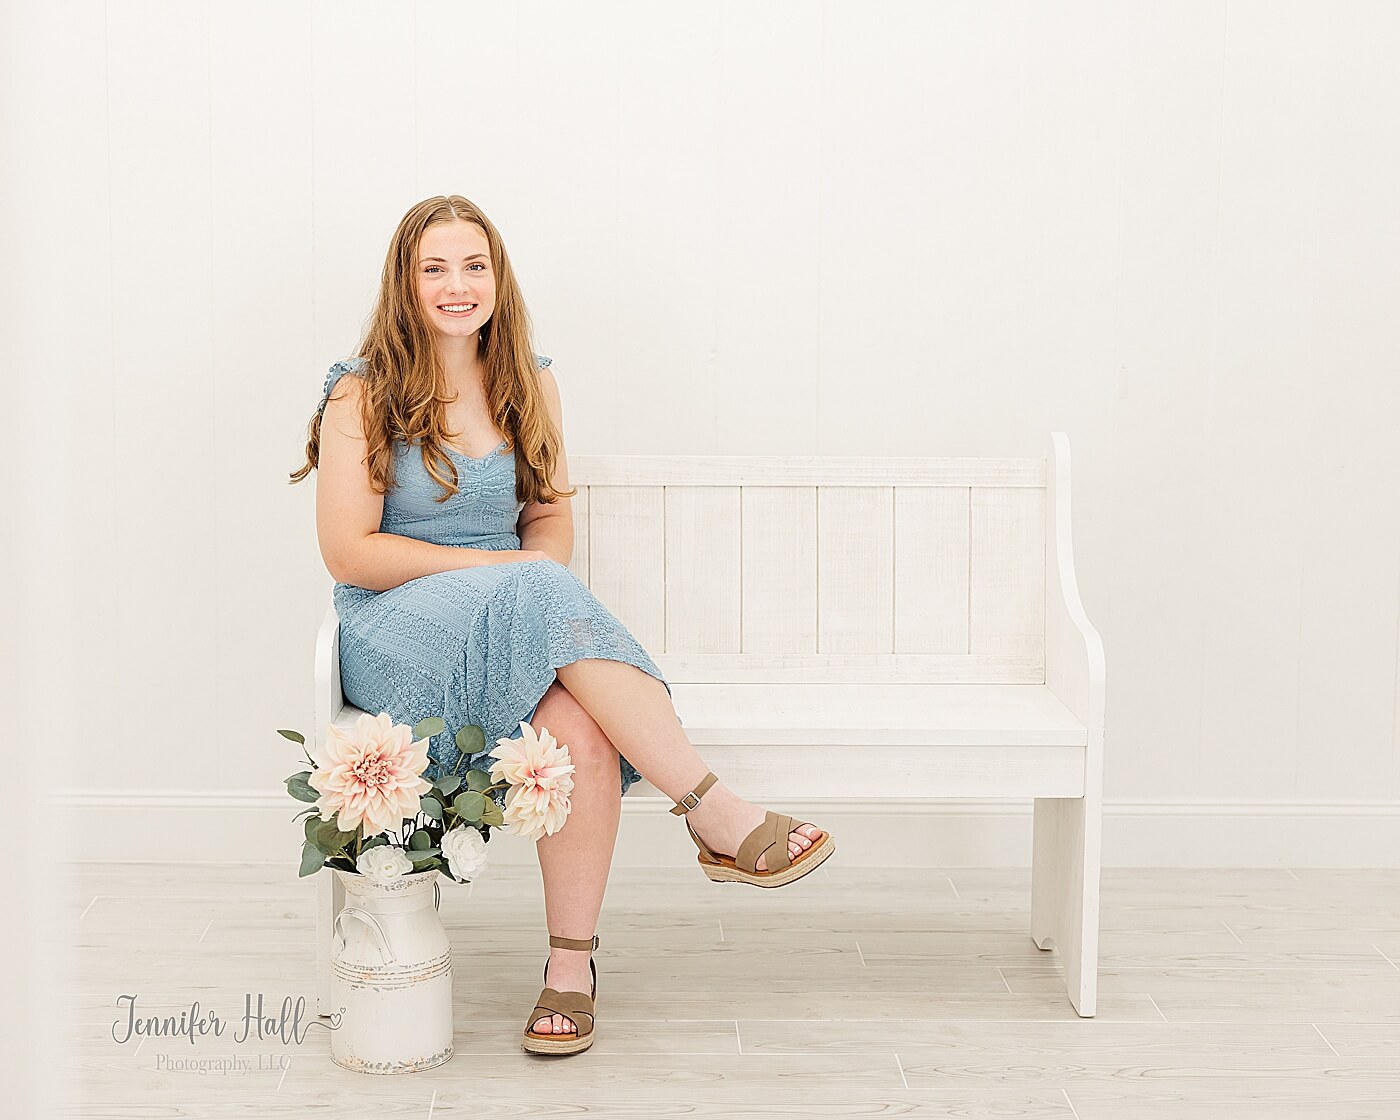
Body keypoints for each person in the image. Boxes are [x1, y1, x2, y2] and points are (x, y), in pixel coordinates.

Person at [290, 195, 834, 1055]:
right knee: (538, 584)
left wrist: (520, 574)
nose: (457, 284)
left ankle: (570, 970)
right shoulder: (363, 392)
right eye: (435, 267)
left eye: (475, 266)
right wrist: (504, 571)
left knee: (581, 728)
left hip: (507, 614)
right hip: (395, 633)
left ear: (498, 280)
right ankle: (709, 809)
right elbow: (350, 554)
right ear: (405, 282)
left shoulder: (527, 381)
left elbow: (548, 528)